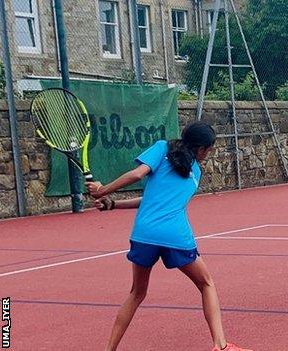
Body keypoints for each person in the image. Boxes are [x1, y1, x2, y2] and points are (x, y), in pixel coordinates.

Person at [85, 121, 251, 351]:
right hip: (176, 236)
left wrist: (110, 201)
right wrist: (104, 192)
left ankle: (109, 349)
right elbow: (137, 176)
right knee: (206, 284)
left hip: (144, 234)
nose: (208, 154)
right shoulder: (194, 170)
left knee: (136, 293)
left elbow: (147, 194)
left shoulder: (162, 149)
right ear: (201, 148)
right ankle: (220, 346)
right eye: (209, 150)